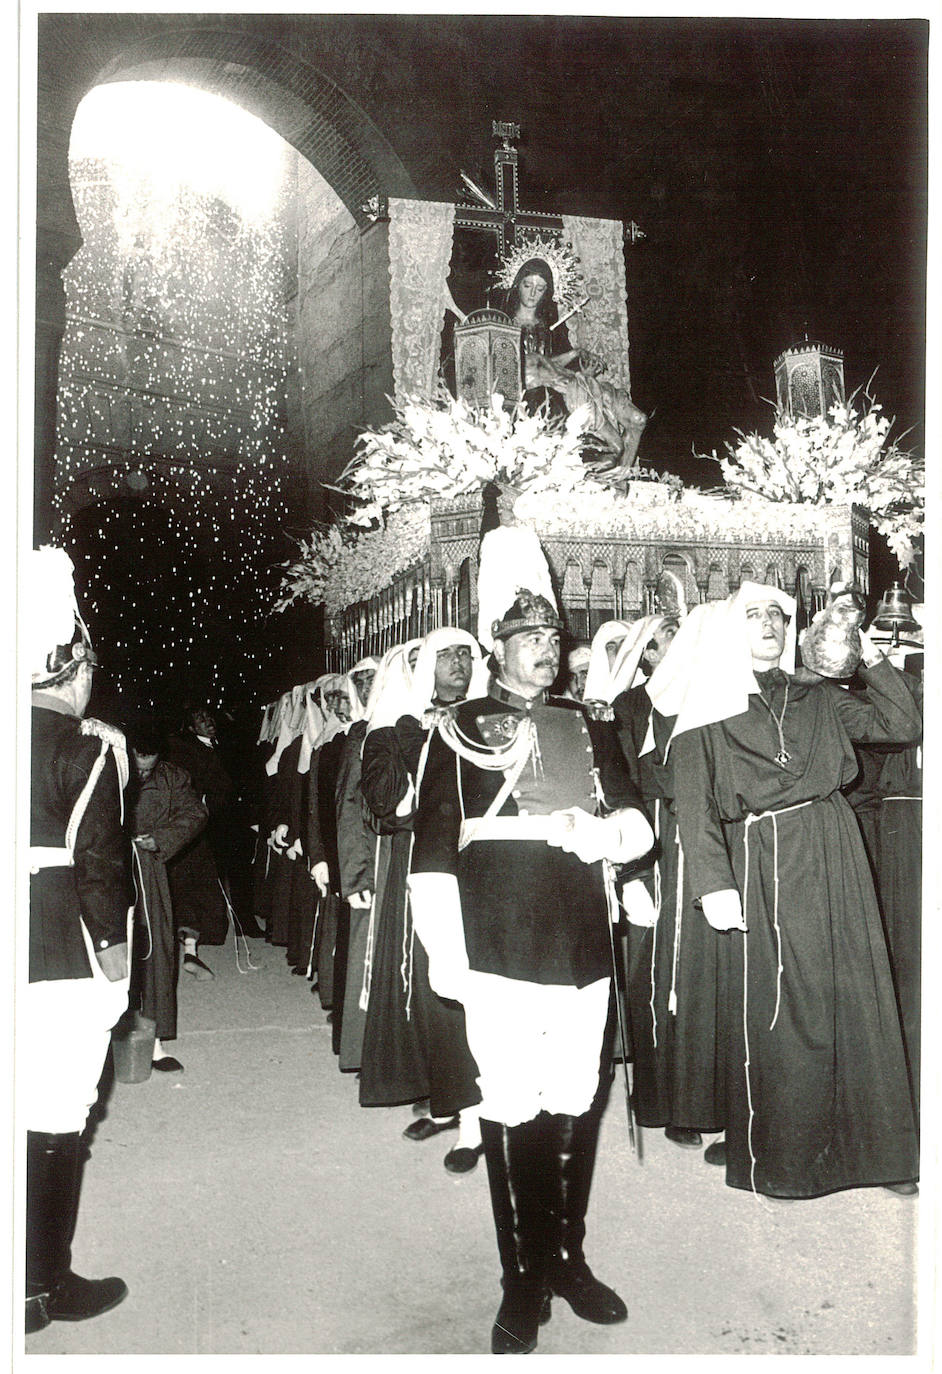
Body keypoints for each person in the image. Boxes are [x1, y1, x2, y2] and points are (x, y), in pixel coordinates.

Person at [412, 525, 654, 1354]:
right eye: (531, 638)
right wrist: (447, 952)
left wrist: (611, 838)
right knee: (514, 1102)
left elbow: (633, 818)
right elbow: (434, 850)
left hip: (582, 936)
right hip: (500, 940)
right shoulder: (458, 730)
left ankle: (566, 1258)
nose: (548, 651)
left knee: (576, 1098)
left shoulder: (590, 724)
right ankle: (520, 1279)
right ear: (496, 646)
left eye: (555, 637)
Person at [648, 582, 921, 1200]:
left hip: (834, 843)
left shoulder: (815, 693)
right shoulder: (706, 702)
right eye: (753, 614)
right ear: (729, 629)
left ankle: (877, 1152)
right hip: (766, 856)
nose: (769, 621)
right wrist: (715, 887)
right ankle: (789, 1157)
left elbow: (902, 725)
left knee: (857, 990)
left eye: (777, 612)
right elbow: (692, 805)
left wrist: (864, 652)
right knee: (786, 1007)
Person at [25, 546, 132, 1333]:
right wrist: (116, 959)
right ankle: (41, 1283)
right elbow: (98, 866)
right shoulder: (84, 747)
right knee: (57, 1111)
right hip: (59, 945)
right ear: (73, 675)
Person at [360, 628, 485, 1171]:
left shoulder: (492, 720)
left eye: (466, 653)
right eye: (445, 655)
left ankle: (477, 1120)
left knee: (473, 989)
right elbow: (387, 807)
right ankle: (445, 1100)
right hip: (419, 869)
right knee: (431, 990)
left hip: (479, 871)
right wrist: (421, 740)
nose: (457, 663)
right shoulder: (397, 728)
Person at [127, 718, 208, 1073]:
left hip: (148, 868)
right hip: (107, 867)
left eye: (149, 767)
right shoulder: (107, 766)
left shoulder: (173, 776)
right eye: (137, 766)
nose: (143, 775)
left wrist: (162, 837)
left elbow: (195, 812)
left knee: (155, 952)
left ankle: (154, 1042)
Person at [166, 705, 236, 976]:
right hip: (192, 828)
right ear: (191, 727)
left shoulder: (213, 746)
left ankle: (191, 944)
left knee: (197, 889)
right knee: (194, 888)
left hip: (203, 827)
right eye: (200, 719)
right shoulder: (186, 750)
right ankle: (190, 949)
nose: (208, 722)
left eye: (209, 717)